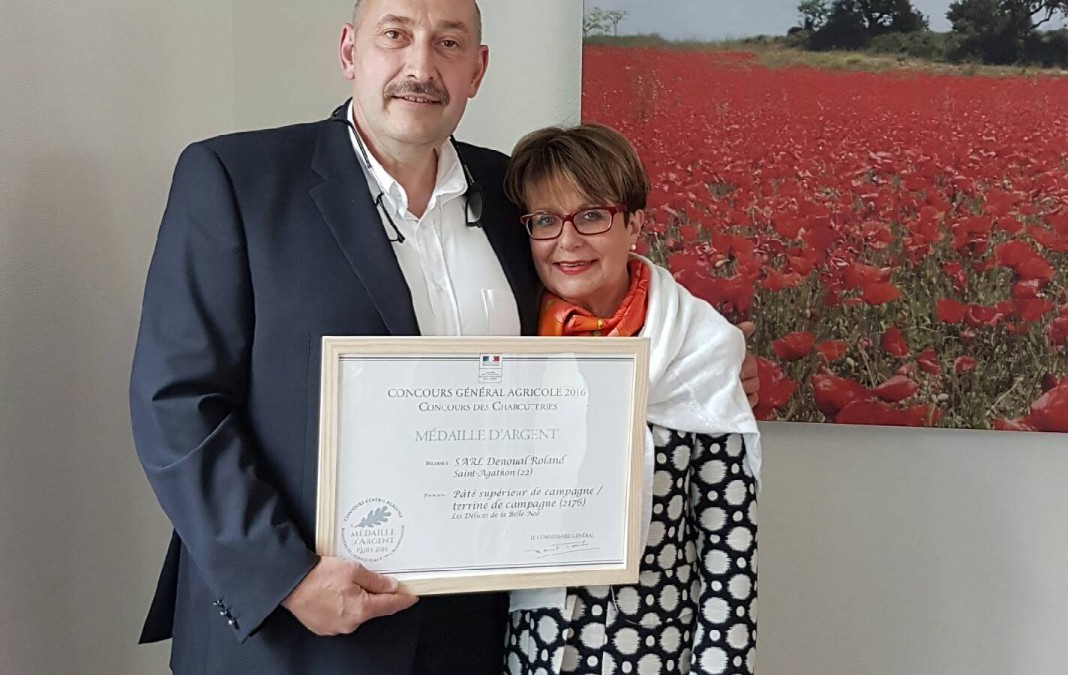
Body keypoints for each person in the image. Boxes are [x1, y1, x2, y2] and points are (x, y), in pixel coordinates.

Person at [130, 0, 759, 673]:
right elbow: (175, 402)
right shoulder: (237, 179)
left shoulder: (517, 196)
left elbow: (607, 286)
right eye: (395, 35)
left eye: (449, 43)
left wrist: (701, 364)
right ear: (350, 52)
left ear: (477, 69)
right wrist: (286, 577)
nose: (420, 66)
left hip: (475, 634)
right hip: (296, 634)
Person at [501, 124, 761, 675]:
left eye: (591, 215)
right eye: (545, 220)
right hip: (525, 651)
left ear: (634, 223)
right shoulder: (507, 341)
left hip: (651, 649)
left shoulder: (699, 346)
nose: (567, 242)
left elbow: (728, 546)